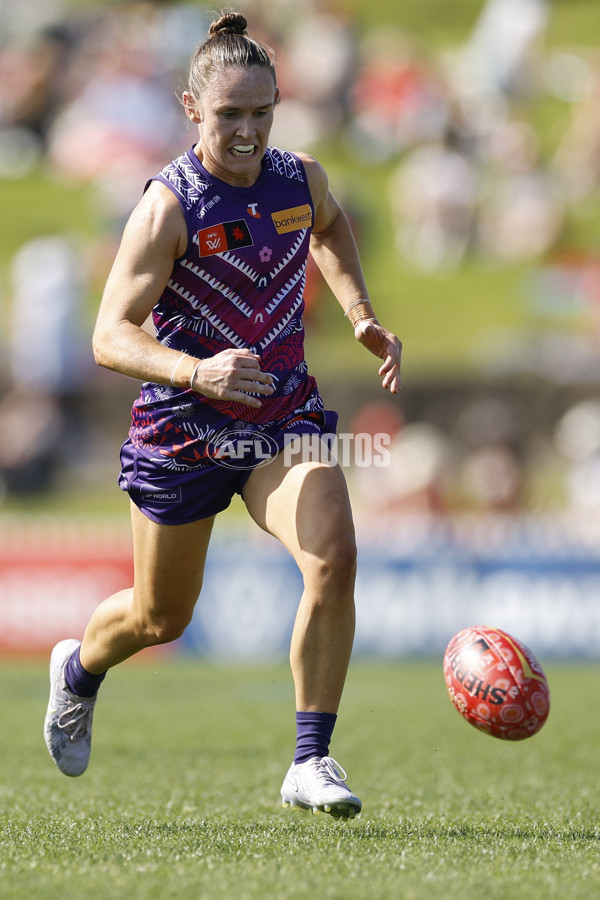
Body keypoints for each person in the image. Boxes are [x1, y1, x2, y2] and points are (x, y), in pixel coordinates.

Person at [43, 12, 401, 820]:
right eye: (230, 113)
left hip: (282, 417)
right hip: (183, 433)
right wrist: (193, 369)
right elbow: (108, 335)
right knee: (159, 616)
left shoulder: (298, 179)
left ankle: (311, 760)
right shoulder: (166, 208)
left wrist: (358, 310)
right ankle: (79, 672)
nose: (247, 131)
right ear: (191, 108)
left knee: (333, 556)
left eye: (262, 112)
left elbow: (333, 224)